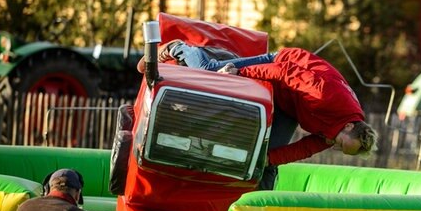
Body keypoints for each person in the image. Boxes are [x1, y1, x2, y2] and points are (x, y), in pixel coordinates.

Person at [138, 42, 378, 190]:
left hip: (289, 105)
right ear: (348, 126)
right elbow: (285, 72)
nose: (334, 146)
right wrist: (240, 72)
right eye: (340, 144)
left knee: (268, 162)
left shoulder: (338, 133)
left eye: (340, 149)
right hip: (280, 64)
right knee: (214, 72)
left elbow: (303, 149)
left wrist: (268, 159)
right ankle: (179, 48)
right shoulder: (329, 96)